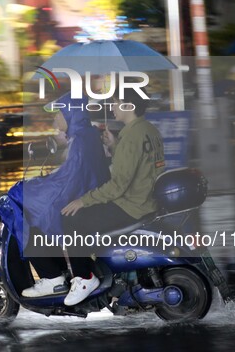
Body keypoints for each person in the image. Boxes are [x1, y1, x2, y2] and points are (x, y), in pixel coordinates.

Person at [57, 88, 166, 306]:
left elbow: (117, 186)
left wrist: (83, 200)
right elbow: (137, 166)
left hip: (130, 205)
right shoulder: (148, 130)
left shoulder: (133, 135)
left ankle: (84, 279)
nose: (112, 107)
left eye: (116, 102)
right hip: (145, 200)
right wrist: (115, 145)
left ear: (129, 106)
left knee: (70, 219)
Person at [18, 92, 110, 298]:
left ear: (70, 113)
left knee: (32, 216)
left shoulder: (80, 140)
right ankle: (59, 276)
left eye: (59, 113)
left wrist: (36, 187)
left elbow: (69, 181)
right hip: (90, 194)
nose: (55, 119)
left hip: (85, 199)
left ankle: (53, 278)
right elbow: (72, 173)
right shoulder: (87, 135)